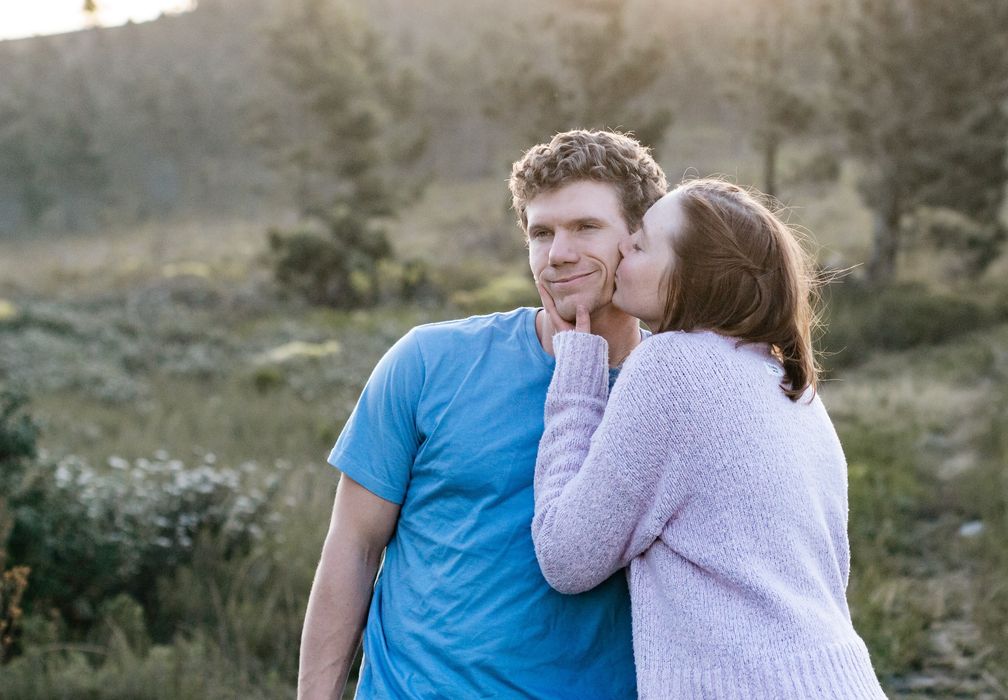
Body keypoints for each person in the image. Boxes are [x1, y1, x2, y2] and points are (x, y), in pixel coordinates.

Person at [297, 129, 667, 699]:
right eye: (541, 233)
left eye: (585, 227)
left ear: (640, 238)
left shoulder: (676, 397)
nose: (559, 252)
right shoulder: (429, 362)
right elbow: (353, 546)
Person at [532, 179, 888, 698]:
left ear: (690, 275)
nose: (621, 250)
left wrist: (578, 380)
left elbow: (567, 557)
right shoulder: (790, 386)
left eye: (640, 245)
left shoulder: (672, 365)